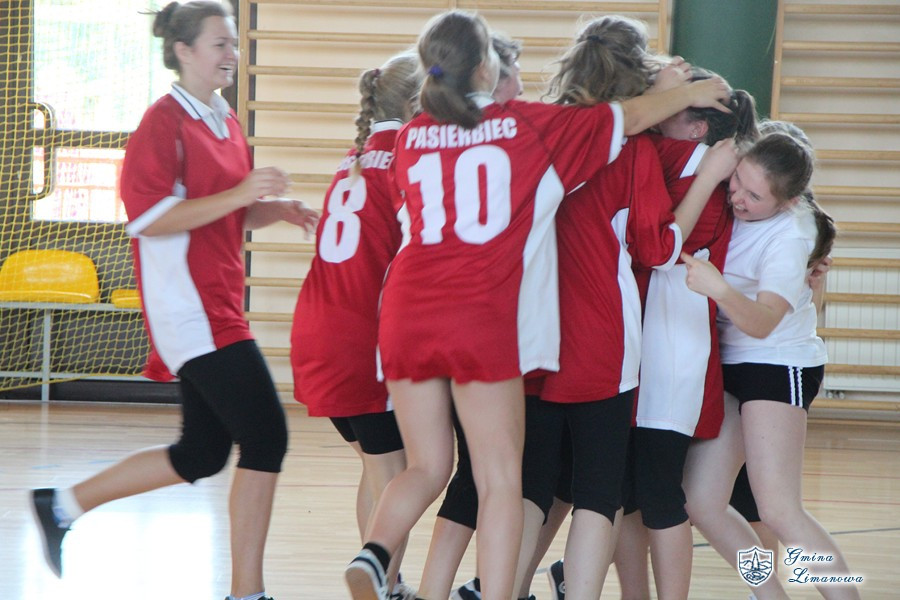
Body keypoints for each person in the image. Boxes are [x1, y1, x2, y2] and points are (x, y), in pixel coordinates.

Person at [343, 10, 732, 600]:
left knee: (441, 469)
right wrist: (686, 93)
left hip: (415, 312)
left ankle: (380, 557)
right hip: (534, 329)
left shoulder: (416, 133)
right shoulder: (540, 130)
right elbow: (635, 160)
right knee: (534, 484)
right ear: (487, 68)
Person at [28, 4, 317, 600]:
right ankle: (247, 593)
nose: (232, 54)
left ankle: (61, 505)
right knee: (267, 437)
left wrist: (272, 210)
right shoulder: (163, 123)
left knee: (201, 453)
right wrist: (241, 194)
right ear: (184, 51)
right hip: (189, 308)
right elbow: (151, 219)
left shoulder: (224, 119)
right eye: (219, 44)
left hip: (218, 301)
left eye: (233, 43)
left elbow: (223, 213)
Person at [510, 18, 738, 600]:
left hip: (529, 333)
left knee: (532, 485)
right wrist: (707, 176)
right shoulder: (634, 151)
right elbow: (658, 249)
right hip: (600, 339)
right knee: (598, 492)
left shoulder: (537, 128)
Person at [681, 130, 857, 600]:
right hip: (729, 362)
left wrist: (718, 289)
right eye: (737, 182)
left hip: (778, 364)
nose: (738, 197)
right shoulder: (730, 200)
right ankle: (769, 595)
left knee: (779, 509)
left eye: (754, 196)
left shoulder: (792, 232)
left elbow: (762, 323)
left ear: (788, 200)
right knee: (701, 502)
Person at [289, 51, 422, 600]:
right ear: (418, 103)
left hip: (316, 328)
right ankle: (382, 583)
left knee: (378, 467)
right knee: (399, 476)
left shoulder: (355, 158)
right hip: (361, 335)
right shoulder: (409, 159)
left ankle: (386, 581)